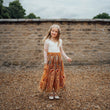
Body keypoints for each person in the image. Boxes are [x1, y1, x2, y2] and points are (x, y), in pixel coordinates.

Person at [39, 24, 72, 100]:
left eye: (55, 31)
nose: (54, 32)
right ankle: (50, 92)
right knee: (50, 76)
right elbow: (45, 51)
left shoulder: (60, 41)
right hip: (50, 60)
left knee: (57, 76)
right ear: (50, 31)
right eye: (52, 31)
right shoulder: (47, 41)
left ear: (58, 33)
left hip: (58, 60)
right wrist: (45, 61)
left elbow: (61, 51)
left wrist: (66, 57)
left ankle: (56, 92)